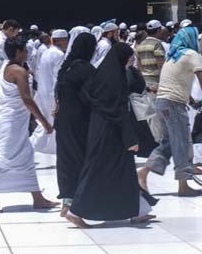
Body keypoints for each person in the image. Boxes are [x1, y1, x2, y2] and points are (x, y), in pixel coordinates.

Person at [68, 42, 156, 226]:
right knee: (97, 170)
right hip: (111, 132)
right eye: (129, 58)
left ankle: (138, 211)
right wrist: (130, 138)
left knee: (122, 172)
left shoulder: (104, 75)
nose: (130, 61)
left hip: (101, 128)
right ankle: (75, 211)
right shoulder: (115, 80)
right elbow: (118, 111)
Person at [138, 26, 202, 198]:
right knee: (182, 143)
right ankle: (183, 185)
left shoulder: (173, 57)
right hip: (173, 105)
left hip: (162, 102)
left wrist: (192, 101)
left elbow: (176, 82)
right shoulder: (192, 55)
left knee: (168, 143)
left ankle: (144, 172)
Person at [0, 38, 57, 213]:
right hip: (11, 122)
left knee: (26, 156)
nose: (27, 54)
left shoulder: (6, 67)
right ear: (18, 51)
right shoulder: (19, 71)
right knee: (6, 158)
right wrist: (44, 122)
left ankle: (38, 198)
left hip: (14, 120)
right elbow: (27, 99)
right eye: (25, 51)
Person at [54, 32, 97, 213]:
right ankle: (80, 203)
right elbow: (91, 97)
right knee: (82, 159)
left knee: (66, 160)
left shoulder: (67, 67)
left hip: (63, 120)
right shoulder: (86, 70)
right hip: (80, 121)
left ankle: (67, 202)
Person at [30, 29, 67, 156]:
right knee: (49, 124)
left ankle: (52, 148)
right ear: (61, 41)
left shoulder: (47, 52)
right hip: (52, 94)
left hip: (43, 92)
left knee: (47, 122)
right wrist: (58, 99)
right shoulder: (59, 55)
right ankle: (31, 145)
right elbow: (58, 77)